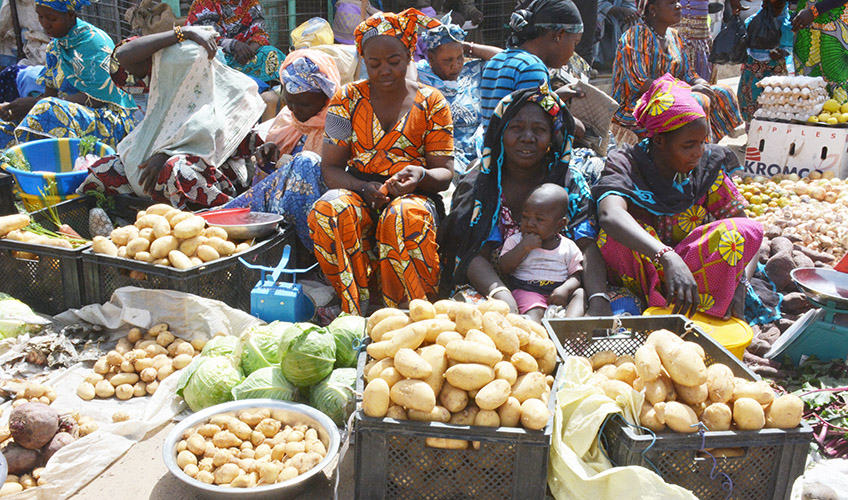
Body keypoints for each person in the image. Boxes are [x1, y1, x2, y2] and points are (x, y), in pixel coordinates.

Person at [307, 9, 454, 314]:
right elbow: (331, 169)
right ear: (363, 60)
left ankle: (412, 312)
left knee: (403, 216)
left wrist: (420, 175)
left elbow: (445, 173)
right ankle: (354, 310)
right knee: (329, 209)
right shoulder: (344, 100)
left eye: (394, 61)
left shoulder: (432, 102)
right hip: (362, 192)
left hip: (415, 196)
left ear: (410, 55)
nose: (384, 70)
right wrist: (363, 187)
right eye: (374, 64)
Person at [594, 74, 763, 318]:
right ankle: (656, 304)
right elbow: (609, 214)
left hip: (696, 277)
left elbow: (747, 228)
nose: (699, 152)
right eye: (688, 145)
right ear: (660, 141)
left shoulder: (706, 167)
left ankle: (702, 307)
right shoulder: (628, 164)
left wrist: (741, 281)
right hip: (644, 275)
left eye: (702, 142)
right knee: (613, 238)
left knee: (737, 234)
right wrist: (667, 256)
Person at [439, 86, 613, 318]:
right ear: (500, 133)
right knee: (469, 315)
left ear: (552, 137)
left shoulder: (569, 181)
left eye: (539, 130)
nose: (528, 137)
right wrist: (501, 294)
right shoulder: (481, 183)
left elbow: (587, 246)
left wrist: (597, 298)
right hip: (492, 288)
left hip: (559, 291)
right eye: (516, 128)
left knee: (622, 305)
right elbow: (471, 253)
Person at [78, 26, 270, 209]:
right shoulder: (167, 102)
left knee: (176, 170)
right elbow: (124, 55)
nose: (157, 77)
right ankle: (98, 219)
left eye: (163, 72)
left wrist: (165, 154)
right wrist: (181, 32)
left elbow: (203, 133)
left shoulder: (224, 99)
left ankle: (212, 224)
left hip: (211, 180)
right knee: (106, 168)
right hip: (157, 177)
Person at [223, 49, 342, 251]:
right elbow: (271, 179)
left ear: (326, 98)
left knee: (305, 163)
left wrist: (294, 165)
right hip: (280, 212)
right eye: (290, 102)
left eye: (304, 104)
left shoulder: (340, 124)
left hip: (321, 213)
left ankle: (310, 252)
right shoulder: (287, 120)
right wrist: (270, 153)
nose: (295, 111)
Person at [0, 0, 138, 149]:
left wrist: (35, 104)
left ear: (71, 15)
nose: (44, 24)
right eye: (40, 17)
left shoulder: (93, 43)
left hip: (110, 120)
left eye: (51, 19)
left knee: (47, 109)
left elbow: (98, 99)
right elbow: (49, 95)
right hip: (72, 115)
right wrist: (15, 107)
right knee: (6, 126)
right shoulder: (55, 46)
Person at [612, 0, 743, 143]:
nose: (678, 6)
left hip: (670, 97)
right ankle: (700, 149)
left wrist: (700, 82)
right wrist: (686, 90)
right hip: (637, 106)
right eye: (671, 3)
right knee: (697, 100)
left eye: (678, 2)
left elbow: (688, 73)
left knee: (722, 92)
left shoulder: (674, 36)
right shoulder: (635, 36)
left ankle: (701, 144)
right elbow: (639, 82)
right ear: (653, 9)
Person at [417, 14, 501, 174]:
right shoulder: (420, 75)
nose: (455, 65)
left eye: (460, 57)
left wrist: (466, 46)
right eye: (447, 60)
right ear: (431, 58)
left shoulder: (472, 71)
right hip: (443, 156)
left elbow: (504, 58)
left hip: (480, 149)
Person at [479, 0, 584, 127]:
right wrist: (575, 124)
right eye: (575, 43)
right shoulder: (533, 68)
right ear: (559, 35)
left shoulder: (497, 60)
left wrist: (556, 96)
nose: (573, 53)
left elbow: (520, 104)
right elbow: (542, 119)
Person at [498, 183, 585, 321]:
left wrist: (565, 289)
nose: (530, 223)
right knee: (534, 308)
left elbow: (576, 276)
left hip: (558, 294)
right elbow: (504, 267)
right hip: (528, 291)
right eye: (525, 217)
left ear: (559, 225)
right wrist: (523, 248)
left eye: (539, 219)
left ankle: (569, 327)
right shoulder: (516, 241)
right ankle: (535, 333)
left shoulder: (568, 247)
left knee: (580, 294)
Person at [184, 0, 286, 85]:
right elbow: (202, 35)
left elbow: (260, 33)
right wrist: (233, 44)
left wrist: (246, 52)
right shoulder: (204, 3)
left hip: (242, 57)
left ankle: (267, 88)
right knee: (213, 59)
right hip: (214, 56)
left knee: (271, 53)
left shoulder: (250, 3)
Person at [738, 0, 794, 124]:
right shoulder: (752, 22)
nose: (773, 10)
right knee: (750, 101)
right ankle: (752, 136)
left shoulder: (787, 25)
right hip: (753, 68)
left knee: (775, 103)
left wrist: (782, 53)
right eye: (769, 5)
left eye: (778, 6)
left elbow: (789, 47)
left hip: (775, 70)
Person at [792, 0, 848, 101]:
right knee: (808, 89)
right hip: (806, 22)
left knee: (837, 81)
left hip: (834, 22)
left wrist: (814, 11)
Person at [595, 0, 639, 71]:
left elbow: (629, 4)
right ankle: (595, 61)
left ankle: (627, 59)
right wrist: (621, 10)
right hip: (598, 15)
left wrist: (629, 12)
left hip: (617, 19)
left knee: (635, 21)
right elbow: (598, 4)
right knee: (597, 20)